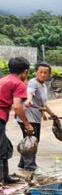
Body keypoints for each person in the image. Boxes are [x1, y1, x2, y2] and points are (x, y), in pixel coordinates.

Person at [0, 57, 33, 185]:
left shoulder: (3, 80)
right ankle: (1, 181)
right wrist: (27, 124)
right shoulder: (18, 83)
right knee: (1, 149)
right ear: (25, 71)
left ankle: (5, 176)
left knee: (5, 146)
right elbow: (17, 106)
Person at [20, 62, 58, 171]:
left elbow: (43, 104)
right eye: (40, 72)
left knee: (30, 140)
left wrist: (50, 114)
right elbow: (29, 93)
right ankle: (30, 165)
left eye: (45, 73)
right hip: (28, 116)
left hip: (35, 116)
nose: (43, 75)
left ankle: (22, 163)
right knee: (32, 141)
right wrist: (28, 100)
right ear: (36, 72)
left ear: (49, 74)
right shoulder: (33, 83)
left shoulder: (43, 85)